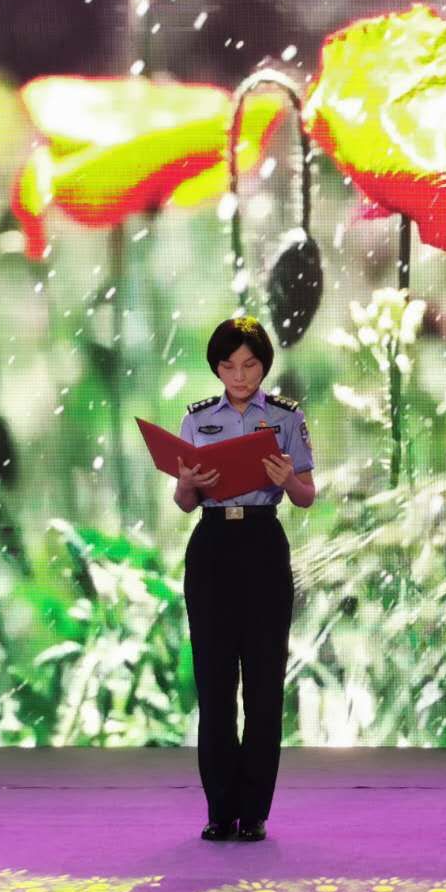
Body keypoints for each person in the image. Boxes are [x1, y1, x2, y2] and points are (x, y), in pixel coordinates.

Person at [173, 315, 316, 843]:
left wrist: (286, 478)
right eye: (229, 365)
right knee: (214, 686)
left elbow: (306, 496)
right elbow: (184, 502)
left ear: (264, 367)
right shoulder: (196, 419)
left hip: (262, 543)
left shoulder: (285, 418)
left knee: (262, 686)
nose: (240, 375)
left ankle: (254, 811)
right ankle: (219, 810)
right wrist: (188, 483)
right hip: (212, 545)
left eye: (250, 365)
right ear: (217, 368)